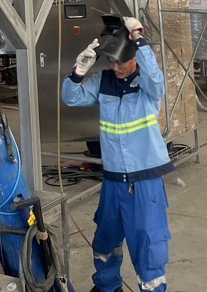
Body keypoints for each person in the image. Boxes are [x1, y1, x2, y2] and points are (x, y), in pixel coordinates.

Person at [62, 15, 172, 292]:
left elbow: (157, 82)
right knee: (106, 238)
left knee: (148, 243)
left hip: (144, 178)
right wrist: (78, 72)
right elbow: (71, 98)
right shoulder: (103, 82)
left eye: (121, 61)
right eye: (111, 61)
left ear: (134, 57)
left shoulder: (147, 86)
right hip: (114, 179)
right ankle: (107, 286)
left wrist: (140, 41)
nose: (116, 67)